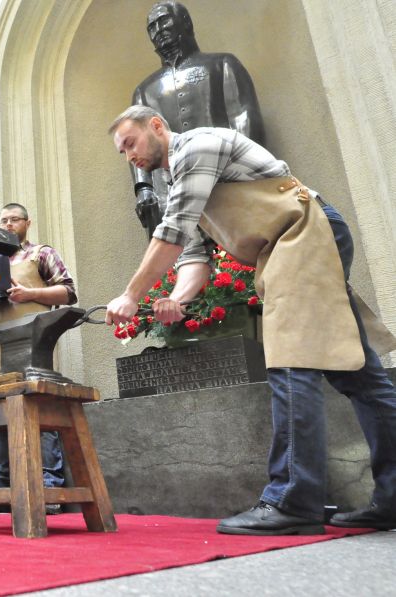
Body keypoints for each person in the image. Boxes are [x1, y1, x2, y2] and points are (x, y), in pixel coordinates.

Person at [106, 105, 396, 535]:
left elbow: (172, 231)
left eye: (130, 143)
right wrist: (177, 299)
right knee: (361, 377)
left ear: (156, 126)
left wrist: (132, 295)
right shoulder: (178, 183)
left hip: (303, 233)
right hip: (286, 246)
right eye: (121, 152)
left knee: (292, 362)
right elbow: (194, 257)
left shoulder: (199, 145)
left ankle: (293, 501)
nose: (129, 156)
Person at [0, 203, 77, 515]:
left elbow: (68, 293)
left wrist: (30, 295)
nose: (8, 224)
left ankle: (51, 487)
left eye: (14, 219)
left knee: (41, 410)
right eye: (3, 220)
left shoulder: (41, 253)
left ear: (27, 223)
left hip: (33, 343)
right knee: (0, 412)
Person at [129, 1, 264, 238]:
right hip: (172, 191)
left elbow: (243, 115)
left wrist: (243, 169)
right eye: (152, 27)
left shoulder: (222, 64)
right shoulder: (144, 91)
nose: (158, 30)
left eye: (163, 21)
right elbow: (137, 145)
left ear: (185, 22)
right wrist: (144, 189)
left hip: (224, 176)